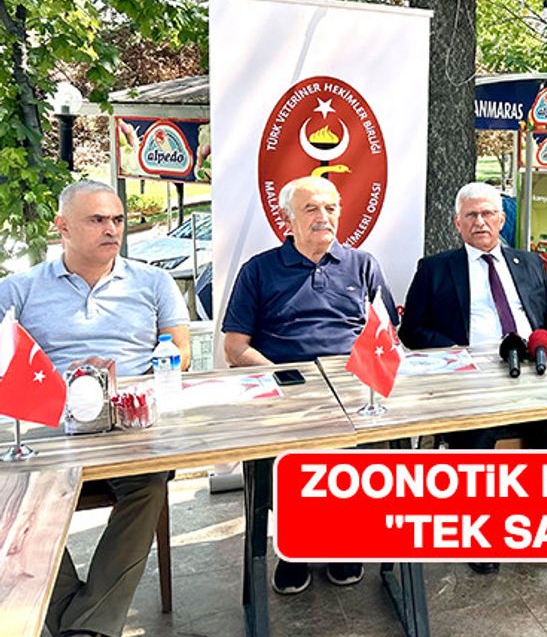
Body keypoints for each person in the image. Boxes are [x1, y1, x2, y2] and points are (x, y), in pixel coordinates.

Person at [0, 180, 190, 637]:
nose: (112, 229)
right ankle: (86, 624)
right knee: (7, 497)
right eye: (98, 219)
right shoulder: (19, 289)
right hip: (51, 424)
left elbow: (179, 353)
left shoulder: (153, 282)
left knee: (150, 482)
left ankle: (81, 627)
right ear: (62, 227)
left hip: (130, 423)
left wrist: (132, 380)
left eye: (118, 220)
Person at [222, 175, 397, 595]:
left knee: (377, 445)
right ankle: (296, 546)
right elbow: (235, 347)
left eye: (330, 208)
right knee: (295, 455)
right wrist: (287, 379)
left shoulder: (363, 264)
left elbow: (386, 332)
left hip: (351, 384)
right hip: (287, 387)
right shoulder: (259, 270)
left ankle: (341, 540)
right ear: (288, 219)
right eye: (311, 209)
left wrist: (361, 376)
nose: (323, 217)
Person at [399, 181, 547, 448]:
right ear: (458, 223)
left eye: (488, 214)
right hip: (472, 380)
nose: (480, 222)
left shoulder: (529, 263)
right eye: (471, 215)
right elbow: (411, 329)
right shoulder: (434, 269)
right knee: (476, 430)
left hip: (533, 372)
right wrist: (454, 350)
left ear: (501, 220)